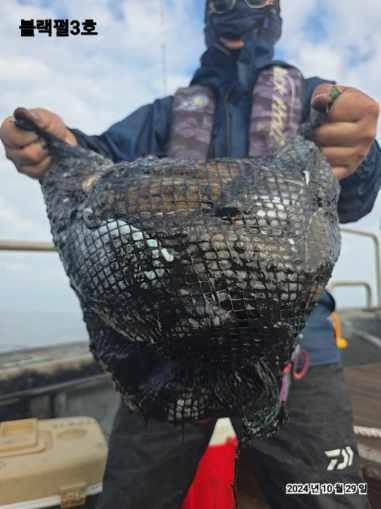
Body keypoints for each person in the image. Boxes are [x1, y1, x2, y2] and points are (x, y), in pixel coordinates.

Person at [1, 1, 380, 507]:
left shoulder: (313, 104)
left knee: (327, 494)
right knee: (131, 498)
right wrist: (56, 143)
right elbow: (94, 160)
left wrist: (360, 151)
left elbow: (352, 202)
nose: (238, 10)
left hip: (295, 347)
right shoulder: (166, 114)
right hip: (165, 352)